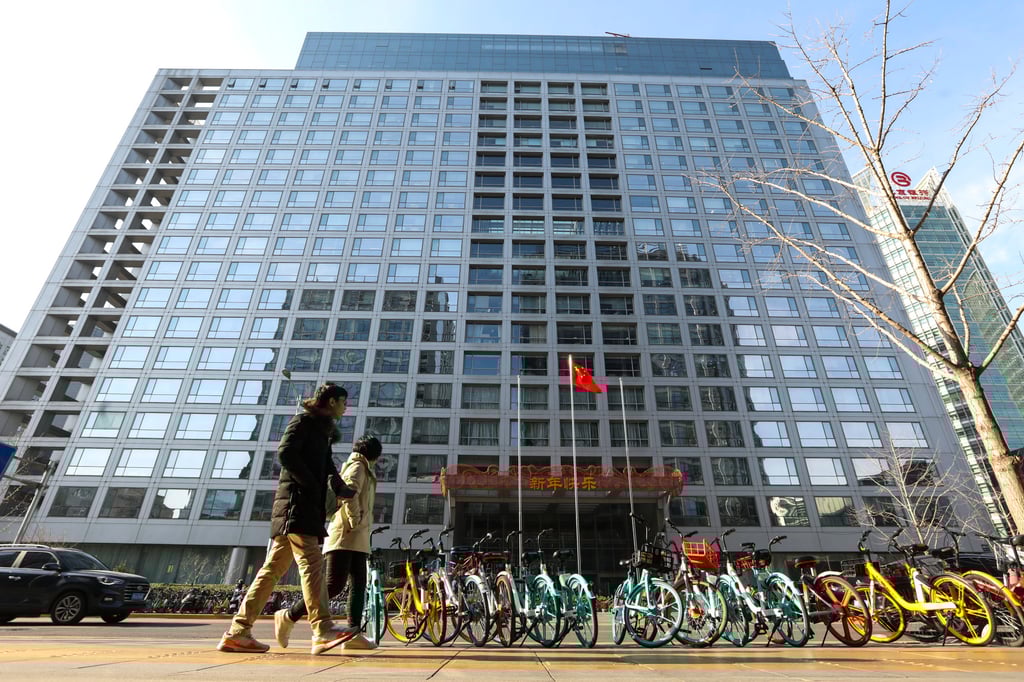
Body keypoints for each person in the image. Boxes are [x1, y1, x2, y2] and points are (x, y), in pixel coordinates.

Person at [217, 382, 357, 655]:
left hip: (302, 507)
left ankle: (237, 632)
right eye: (343, 402)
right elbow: (286, 452)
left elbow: (327, 466)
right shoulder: (303, 422)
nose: (345, 407)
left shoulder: (321, 432)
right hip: (296, 506)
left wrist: (340, 487)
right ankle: (323, 628)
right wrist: (310, 485)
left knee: (270, 572)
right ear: (331, 402)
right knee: (312, 565)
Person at [274, 435, 381, 651]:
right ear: (373, 454)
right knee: (333, 585)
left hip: (357, 535)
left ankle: (352, 634)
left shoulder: (362, 467)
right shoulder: (358, 466)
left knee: (359, 585)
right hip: (345, 533)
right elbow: (349, 493)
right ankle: (288, 615)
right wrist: (355, 519)